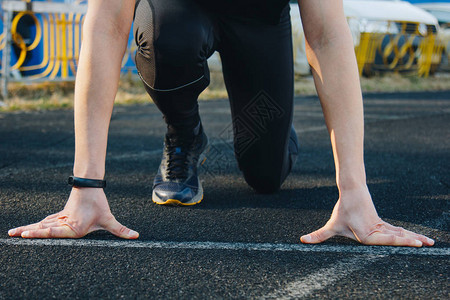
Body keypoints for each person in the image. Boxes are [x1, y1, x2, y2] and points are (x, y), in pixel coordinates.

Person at [8, 0, 434, 247]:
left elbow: (326, 34)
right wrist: (85, 187)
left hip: (259, 18)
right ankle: (184, 133)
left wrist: (355, 193)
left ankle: (274, 126)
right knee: (163, 37)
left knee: (265, 173)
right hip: (181, 13)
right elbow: (106, 24)